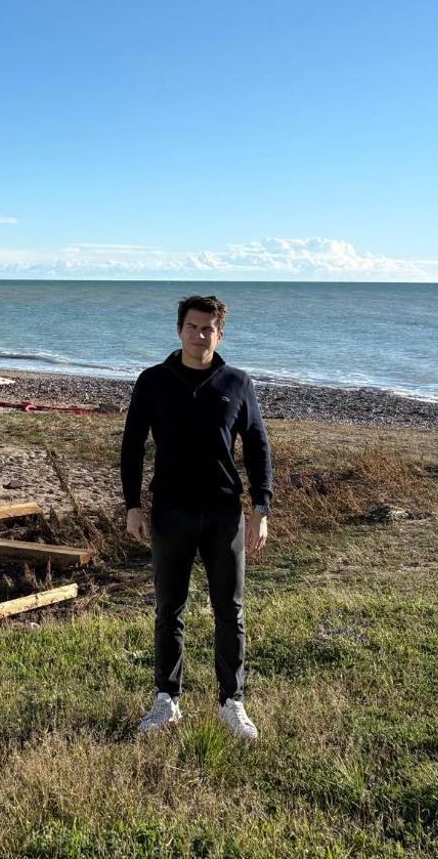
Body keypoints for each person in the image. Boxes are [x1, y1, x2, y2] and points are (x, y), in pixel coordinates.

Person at [120, 294, 272, 739]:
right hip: (170, 512)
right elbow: (132, 445)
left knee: (231, 611)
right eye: (192, 326)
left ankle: (232, 702)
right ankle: (167, 700)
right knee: (170, 609)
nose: (199, 335)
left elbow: (259, 446)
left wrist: (260, 509)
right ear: (179, 329)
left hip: (224, 513)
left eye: (208, 328)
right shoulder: (153, 381)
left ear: (219, 334)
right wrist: (132, 505)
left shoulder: (237, 383)